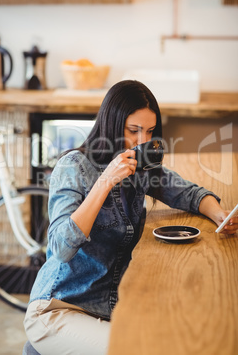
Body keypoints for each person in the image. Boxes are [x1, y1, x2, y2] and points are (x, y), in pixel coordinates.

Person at [24, 80, 238, 355]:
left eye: (149, 131)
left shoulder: (139, 166)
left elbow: (187, 193)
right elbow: (61, 248)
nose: (142, 141)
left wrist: (220, 214)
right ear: (112, 125)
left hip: (110, 307)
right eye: (133, 130)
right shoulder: (74, 167)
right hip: (59, 308)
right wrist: (105, 181)